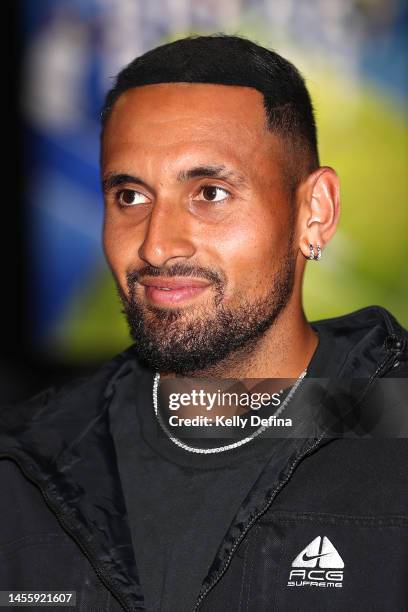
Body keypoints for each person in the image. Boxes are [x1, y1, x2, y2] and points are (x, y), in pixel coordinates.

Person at [0, 35, 407, 612]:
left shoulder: (394, 431)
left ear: (314, 213)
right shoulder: (26, 462)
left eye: (209, 193)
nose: (158, 246)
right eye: (130, 197)